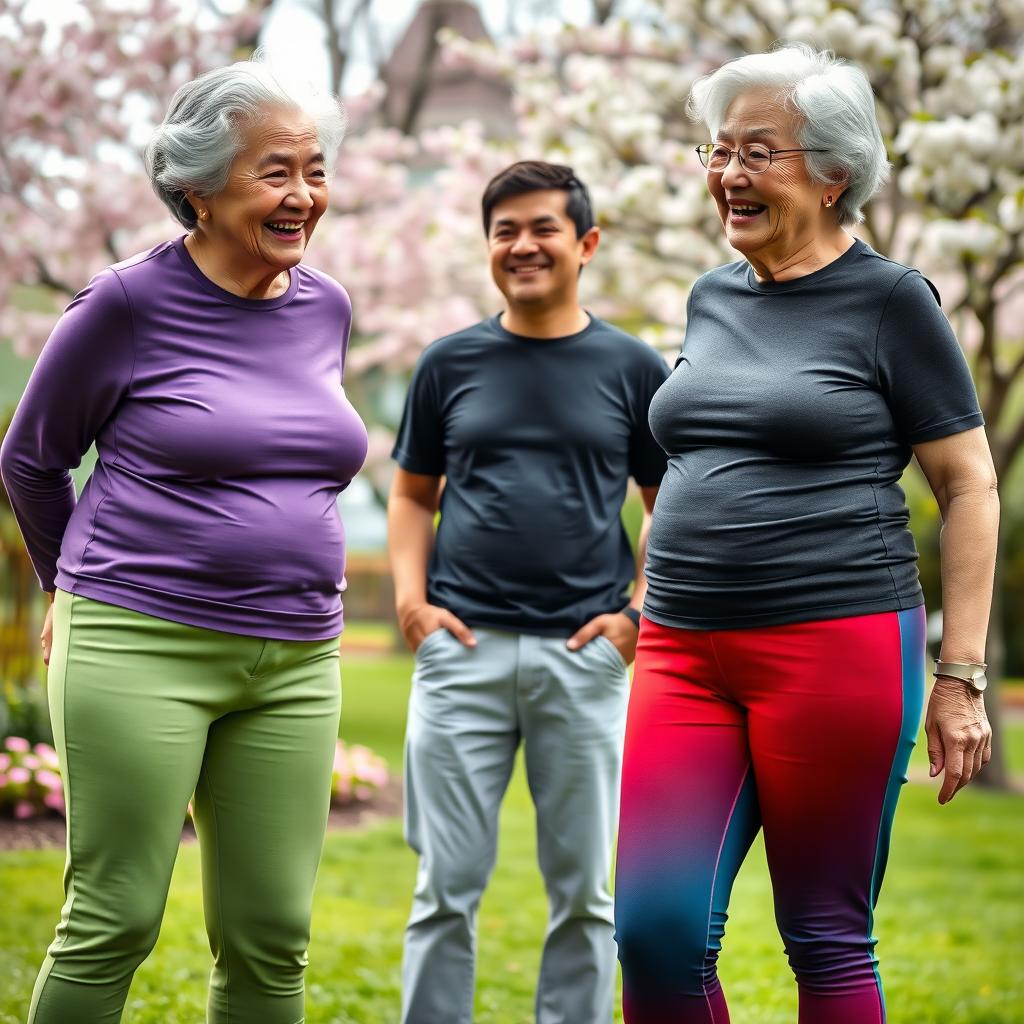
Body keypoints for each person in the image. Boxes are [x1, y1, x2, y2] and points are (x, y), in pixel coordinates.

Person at [613, 44, 999, 1024]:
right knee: (653, 930)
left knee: (823, 936)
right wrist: (649, 581)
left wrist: (959, 677)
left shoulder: (891, 302)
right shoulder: (712, 294)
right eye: (716, 149)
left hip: (834, 643)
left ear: (834, 174)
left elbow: (967, 485)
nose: (726, 174)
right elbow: (698, 453)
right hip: (682, 647)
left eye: (758, 152)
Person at [0, 60, 367, 1024]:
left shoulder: (324, 306)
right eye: (274, 172)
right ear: (197, 190)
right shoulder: (122, 305)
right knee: (113, 918)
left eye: (316, 171)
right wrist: (63, 588)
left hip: (296, 655)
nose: (303, 197)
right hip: (138, 641)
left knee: (272, 938)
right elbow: (32, 460)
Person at [388, 160, 670, 1024]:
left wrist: (635, 616)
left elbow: (672, 507)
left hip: (582, 660)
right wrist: (411, 606)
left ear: (584, 244)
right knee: (444, 889)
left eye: (543, 227)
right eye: (504, 229)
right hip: (460, 652)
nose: (523, 245)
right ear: (488, 246)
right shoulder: (448, 364)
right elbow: (410, 495)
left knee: (586, 895)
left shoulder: (634, 368)